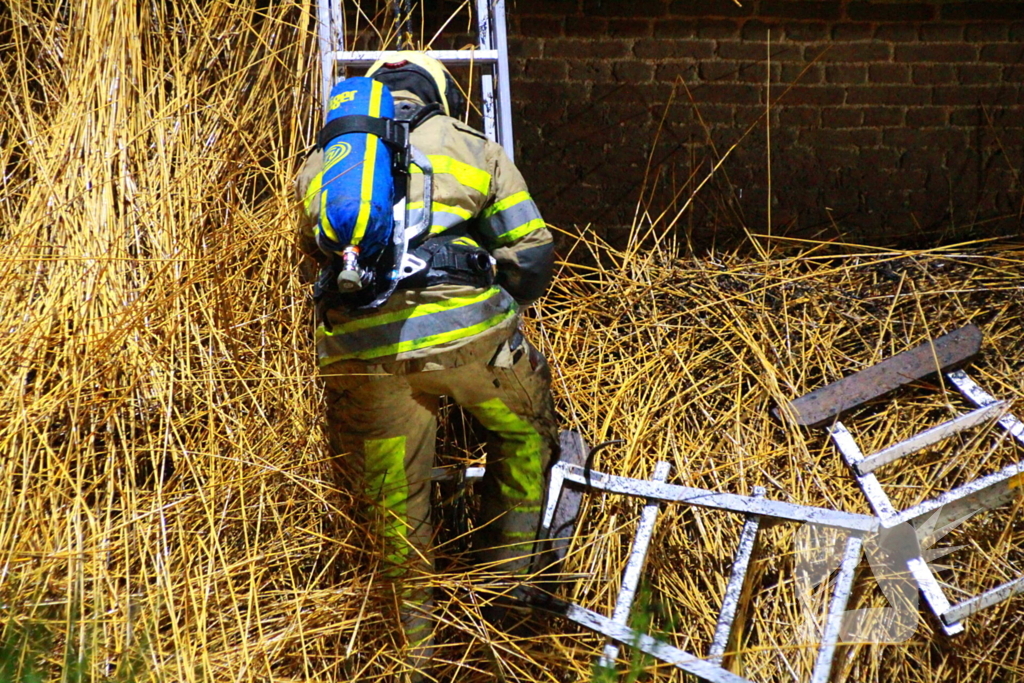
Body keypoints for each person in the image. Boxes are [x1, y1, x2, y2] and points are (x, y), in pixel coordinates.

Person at [294, 52, 559, 681]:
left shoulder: (324, 164)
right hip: (471, 344)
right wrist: (501, 306)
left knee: (394, 496)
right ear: (438, 93)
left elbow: (316, 261)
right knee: (524, 435)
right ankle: (504, 601)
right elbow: (532, 250)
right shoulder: (472, 146)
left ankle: (413, 650)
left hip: (364, 357)